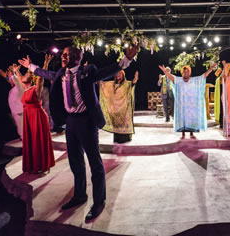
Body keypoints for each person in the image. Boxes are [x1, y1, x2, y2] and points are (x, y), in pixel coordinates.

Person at [18, 44, 139, 221]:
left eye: (67, 55)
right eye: (63, 55)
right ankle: (80, 195)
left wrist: (126, 59)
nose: (63, 57)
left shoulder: (88, 71)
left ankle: (99, 201)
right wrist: (30, 66)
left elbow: (107, 71)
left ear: (77, 57)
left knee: (95, 163)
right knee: (75, 162)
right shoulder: (60, 73)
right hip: (71, 122)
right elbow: (46, 74)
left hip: (87, 122)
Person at [12, 55, 55, 175]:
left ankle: (44, 166)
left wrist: (46, 63)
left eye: (27, 75)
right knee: (31, 142)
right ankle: (33, 165)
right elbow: (19, 79)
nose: (24, 76)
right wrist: (16, 71)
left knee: (39, 141)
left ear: (31, 79)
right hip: (28, 117)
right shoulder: (25, 89)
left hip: (38, 116)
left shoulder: (35, 89)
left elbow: (41, 78)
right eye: (24, 75)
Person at [159, 62, 217, 139]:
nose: (185, 73)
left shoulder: (194, 80)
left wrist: (210, 69)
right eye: (184, 72)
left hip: (191, 105)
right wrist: (165, 72)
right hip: (182, 105)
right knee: (182, 118)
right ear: (182, 73)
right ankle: (182, 134)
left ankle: (191, 133)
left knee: (191, 118)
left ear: (190, 73)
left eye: (187, 71)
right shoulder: (178, 80)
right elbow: (171, 77)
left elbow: (204, 76)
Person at [99, 70, 138, 143]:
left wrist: (136, 77)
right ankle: (117, 138)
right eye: (117, 73)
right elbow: (102, 84)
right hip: (115, 110)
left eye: (120, 73)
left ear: (123, 75)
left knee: (123, 125)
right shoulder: (112, 84)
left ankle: (125, 139)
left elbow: (133, 83)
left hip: (124, 109)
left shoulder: (126, 84)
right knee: (116, 125)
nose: (118, 75)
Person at [0, 67, 24, 140]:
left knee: (22, 131)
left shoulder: (20, 86)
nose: (9, 80)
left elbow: (16, 81)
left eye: (10, 77)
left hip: (20, 112)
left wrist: (13, 73)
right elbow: (10, 79)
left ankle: (27, 145)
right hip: (16, 112)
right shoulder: (14, 88)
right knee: (20, 129)